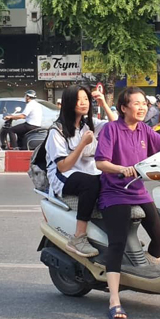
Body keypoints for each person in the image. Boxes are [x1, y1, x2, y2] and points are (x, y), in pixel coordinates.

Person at [94, 87, 160, 319]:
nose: (142, 107)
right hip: (115, 193)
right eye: (136, 103)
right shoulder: (112, 130)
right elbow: (101, 163)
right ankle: (114, 299)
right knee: (117, 243)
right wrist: (121, 169)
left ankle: (143, 274)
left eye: (144, 103)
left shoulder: (144, 130)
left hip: (139, 191)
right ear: (123, 108)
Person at [46, 85, 117, 258]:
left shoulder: (88, 124)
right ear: (70, 103)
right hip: (64, 176)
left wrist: (104, 103)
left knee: (113, 180)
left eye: (86, 99)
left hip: (87, 171)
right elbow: (63, 166)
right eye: (79, 100)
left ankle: (116, 232)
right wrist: (82, 144)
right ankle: (79, 237)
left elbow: (115, 126)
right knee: (90, 183)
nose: (83, 103)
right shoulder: (57, 131)